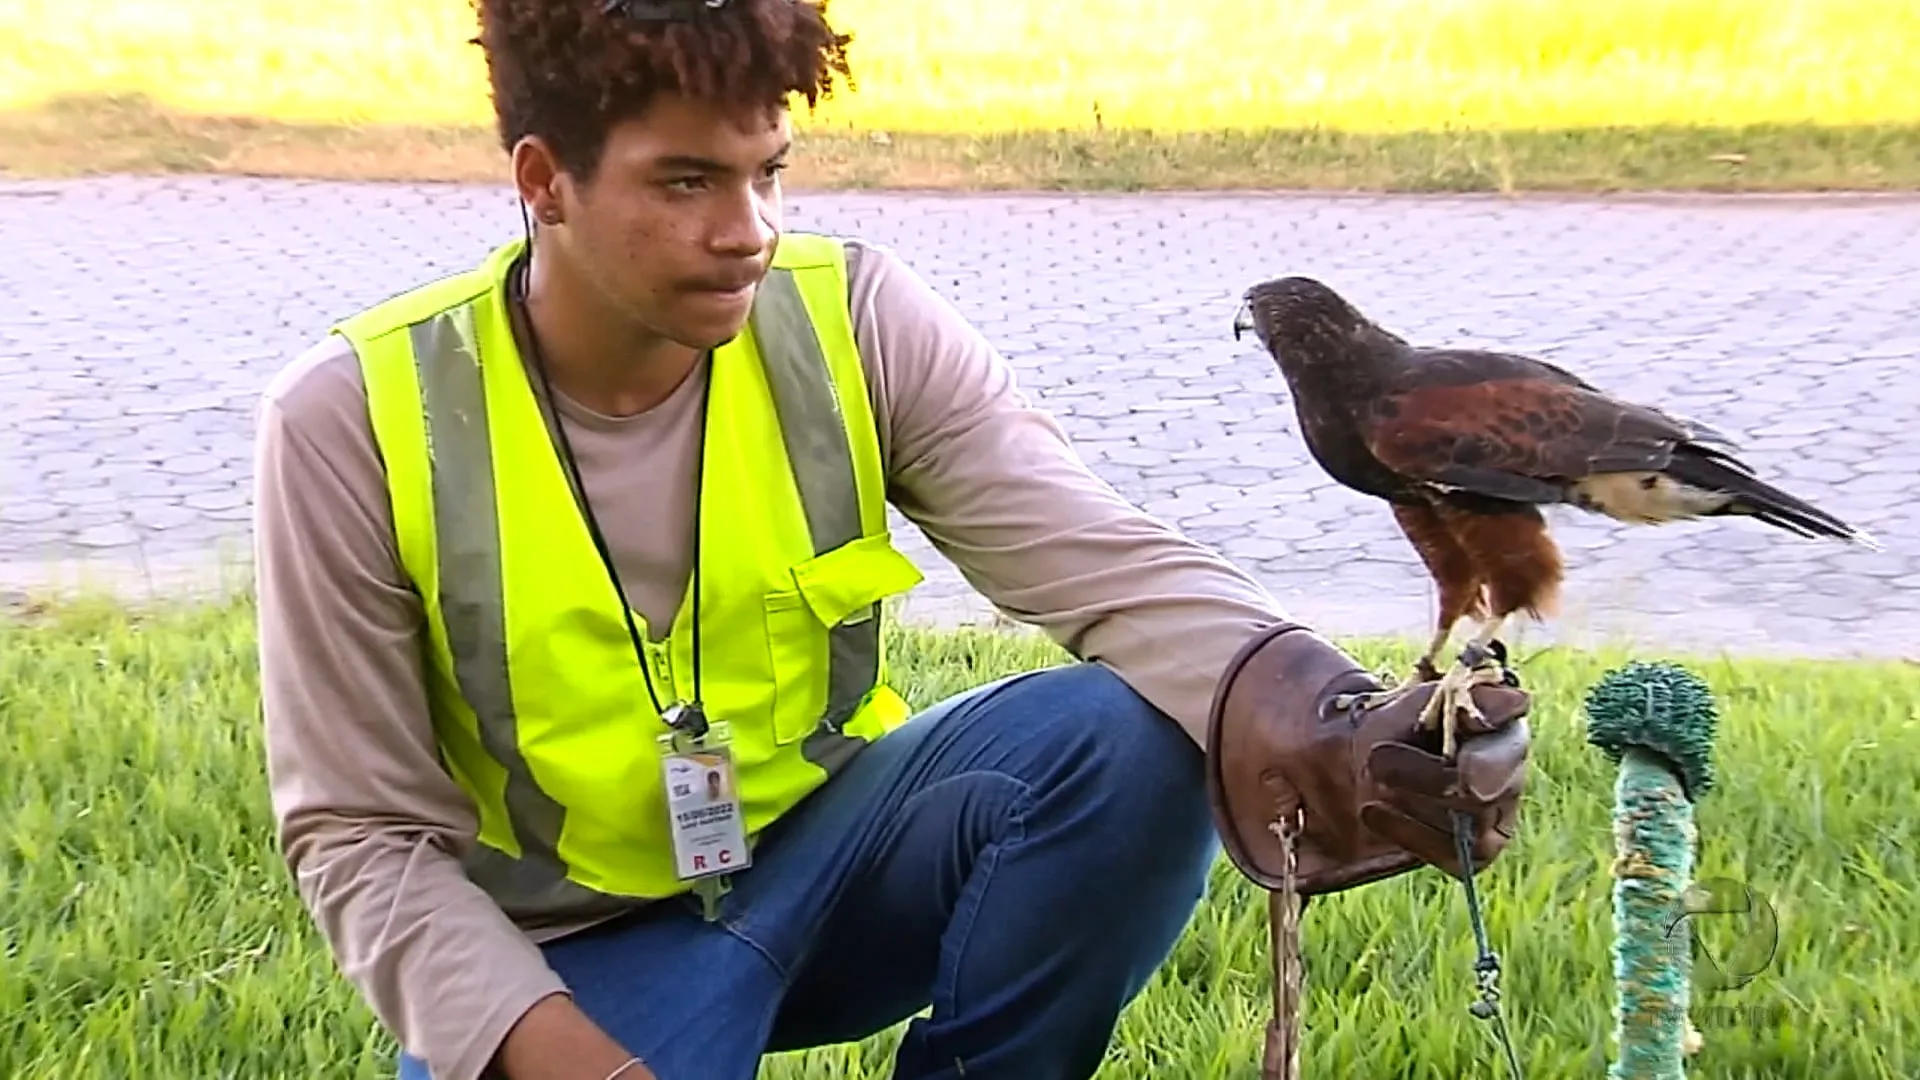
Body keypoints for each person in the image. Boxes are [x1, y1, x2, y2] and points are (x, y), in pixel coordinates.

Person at [250, 1, 1532, 1078]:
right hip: (558, 958)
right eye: (685, 181)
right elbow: (358, 837)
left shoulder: (848, 314)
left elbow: (1096, 556)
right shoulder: (358, 415)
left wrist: (1327, 709)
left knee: (1126, 732)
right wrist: (576, 1059)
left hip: (830, 865)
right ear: (544, 182)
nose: (745, 228)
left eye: (767, 174)